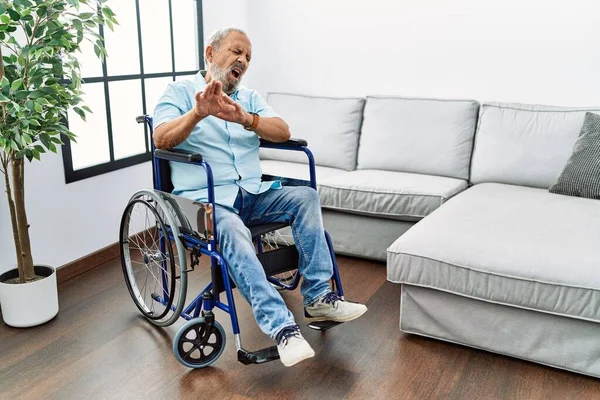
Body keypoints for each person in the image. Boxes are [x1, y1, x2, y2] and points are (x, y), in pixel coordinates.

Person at [153, 27, 367, 367]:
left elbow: (283, 131)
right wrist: (198, 114)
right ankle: (283, 329)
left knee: (305, 196)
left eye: (248, 57)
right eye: (236, 51)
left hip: (252, 194)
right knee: (233, 231)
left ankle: (318, 298)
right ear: (210, 54)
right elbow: (161, 139)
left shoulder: (248, 97)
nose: (243, 60)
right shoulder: (180, 92)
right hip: (205, 202)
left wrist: (246, 119)